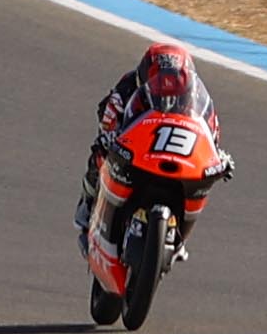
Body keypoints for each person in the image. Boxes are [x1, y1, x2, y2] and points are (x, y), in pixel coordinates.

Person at [79, 39, 218, 252]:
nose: (167, 87)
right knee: (98, 156)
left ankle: (179, 232)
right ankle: (88, 205)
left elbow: (210, 128)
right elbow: (108, 116)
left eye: (175, 82)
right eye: (160, 80)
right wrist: (109, 136)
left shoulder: (197, 97)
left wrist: (216, 155)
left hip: (175, 152)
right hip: (136, 147)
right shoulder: (126, 88)